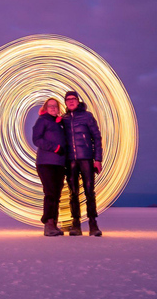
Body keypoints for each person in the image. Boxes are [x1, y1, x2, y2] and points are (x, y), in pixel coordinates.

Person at [62, 90, 103, 236]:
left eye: (73, 99)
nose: (71, 101)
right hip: (70, 160)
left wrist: (98, 159)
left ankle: (93, 224)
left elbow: (97, 138)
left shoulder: (87, 116)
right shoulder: (64, 119)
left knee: (89, 191)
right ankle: (76, 224)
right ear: (65, 102)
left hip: (86, 159)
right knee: (73, 193)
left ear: (78, 101)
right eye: (68, 99)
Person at [31, 97, 67, 236]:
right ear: (45, 108)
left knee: (56, 194)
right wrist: (55, 148)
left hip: (59, 164)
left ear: (58, 109)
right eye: (50, 106)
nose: (53, 108)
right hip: (46, 163)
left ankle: (54, 224)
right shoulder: (42, 120)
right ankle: (48, 223)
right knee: (50, 193)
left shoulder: (59, 123)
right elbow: (37, 139)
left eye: (55, 106)